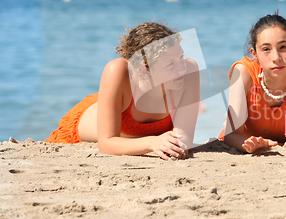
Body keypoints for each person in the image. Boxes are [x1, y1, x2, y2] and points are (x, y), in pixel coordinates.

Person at [45, 22, 200, 160]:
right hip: (87, 123)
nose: (182, 68)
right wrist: (153, 141)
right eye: (171, 64)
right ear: (144, 72)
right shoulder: (117, 70)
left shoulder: (189, 71)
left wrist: (176, 143)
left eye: (181, 57)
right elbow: (106, 144)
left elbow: (183, 138)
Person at [221, 12, 286, 153]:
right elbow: (231, 136)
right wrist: (248, 144)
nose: (276, 57)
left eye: (283, 47)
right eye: (266, 49)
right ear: (254, 54)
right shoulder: (244, 72)